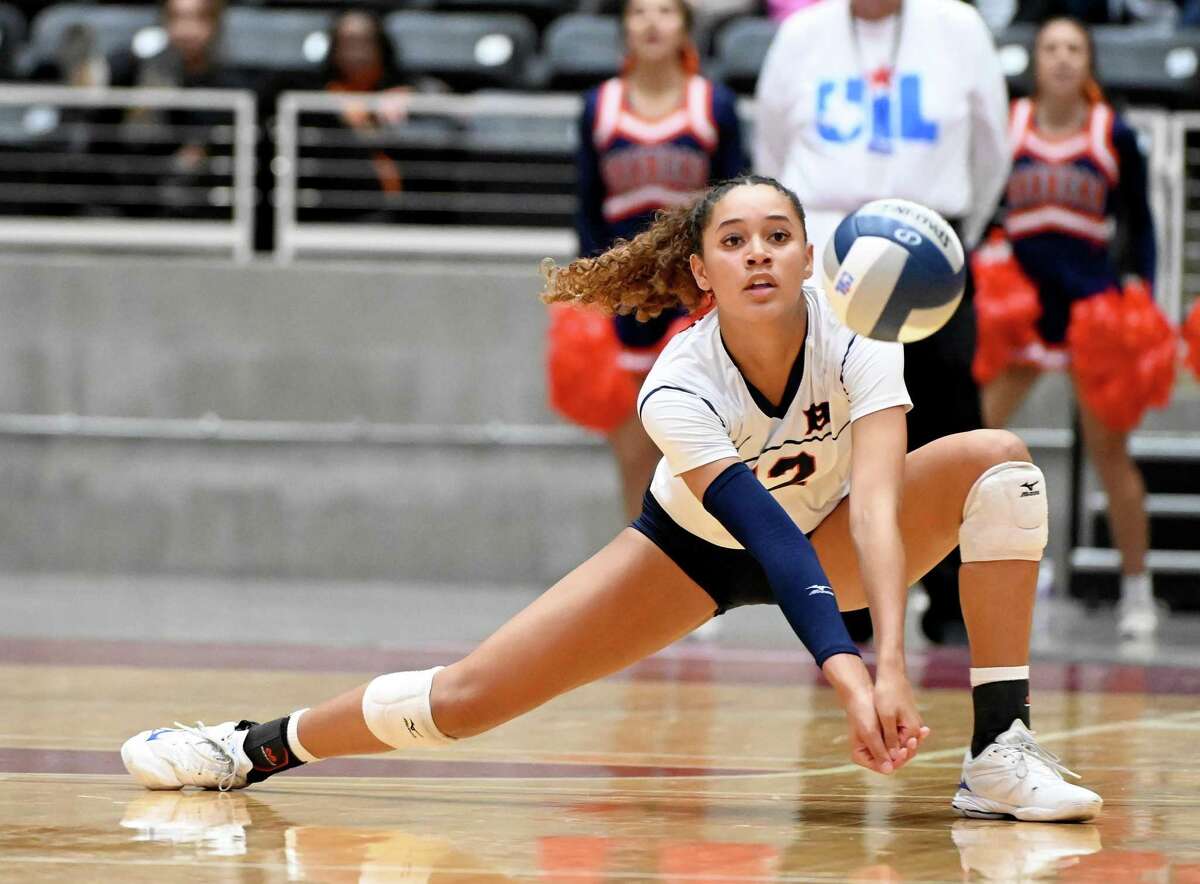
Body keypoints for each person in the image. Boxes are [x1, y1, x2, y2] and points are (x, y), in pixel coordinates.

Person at [121, 176, 1101, 823]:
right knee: (468, 698)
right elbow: (761, 532)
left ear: (812, 259)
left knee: (998, 462)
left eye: (779, 235)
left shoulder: (861, 339)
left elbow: (882, 508)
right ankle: (247, 746)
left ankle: (1000, 754)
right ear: (699, 273)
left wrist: (890, 657)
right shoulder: (678, 381)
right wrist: (849, 675)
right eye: (734, 239)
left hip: (839, 534)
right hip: (692, 553)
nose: (759, 252)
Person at [753, 0, 1011, 644]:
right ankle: (846, 603)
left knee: (944, 424)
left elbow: (993, 149)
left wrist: (954, 239)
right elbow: (771, 149)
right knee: (833, 430)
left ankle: (953, 605)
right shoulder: (801, 35)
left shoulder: (957, 27)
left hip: (928, 252)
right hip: (826, 261)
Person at [979, 18, 1159, 638]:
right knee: (972, 439)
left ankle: (1138, 590)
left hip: (1091, 305)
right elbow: (983, 204)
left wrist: (1140, 285)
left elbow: (1140, 221)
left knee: (1110, 450)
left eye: (1073, 49)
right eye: (1050, 48)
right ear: (1035, 59)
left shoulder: (1115, 132)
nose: (1060, 58)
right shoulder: (1010, 123)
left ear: (1088, 62)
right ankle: (942, 581)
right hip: (1022, 304)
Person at [555, 0, 746, 521]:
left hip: (695, 294)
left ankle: (694, 572)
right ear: (624, 29)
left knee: (691, 445)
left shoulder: (714, 105)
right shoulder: (600, 106)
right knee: (633, 448)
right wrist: (595, 290)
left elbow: (735, 206)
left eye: (665, 10)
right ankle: (636, 560)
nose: (652, 22)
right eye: (639, 11)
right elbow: (587, 209)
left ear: (685, 26)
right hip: (626, 295)